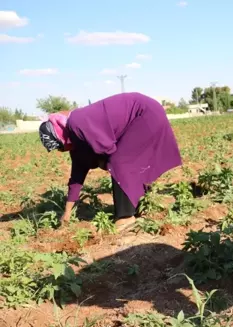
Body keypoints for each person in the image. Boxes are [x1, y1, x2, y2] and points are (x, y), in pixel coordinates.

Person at [38, 92, 182, 232]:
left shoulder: (77, 124)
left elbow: (108, 149)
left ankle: (126, 216)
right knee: (122, 162)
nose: (61, 151)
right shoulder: (76, 143)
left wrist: (103, 163)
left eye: (59, 146)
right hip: (141, 114)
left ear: (60, 135)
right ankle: (140, 203)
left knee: (120, 161)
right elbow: (76, 178)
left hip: (145, 113)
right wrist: (67, 214)